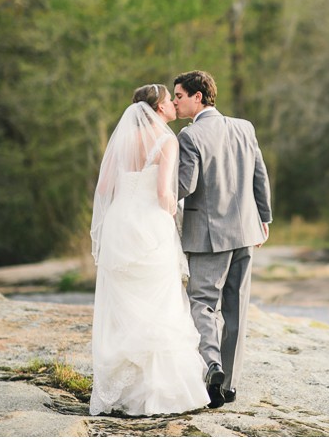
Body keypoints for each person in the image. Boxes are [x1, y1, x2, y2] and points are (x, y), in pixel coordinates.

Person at [88, 84, 210, 417]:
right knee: (160, 304)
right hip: (149, 226)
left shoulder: (123, 141)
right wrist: (176, 208)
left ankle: (124, 392)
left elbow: (103, 188)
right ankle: (158, 394)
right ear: (157, 109)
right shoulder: (167, 140)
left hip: (119, 225)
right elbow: (163, 194)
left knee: (125, 306)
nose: (173, 104)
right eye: (170, 101)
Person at [172, 70, 272, 408]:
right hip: (246, 232)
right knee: (237, 309)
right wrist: (265, 217)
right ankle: (228, 386)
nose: (175, 102)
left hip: (209, 237)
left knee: (201, 302)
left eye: (179, 96)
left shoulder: (190, 136)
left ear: (198, 97)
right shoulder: (245, 127)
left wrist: (155, 188)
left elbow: (186, 186)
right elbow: (261, 175)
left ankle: (212, 364)